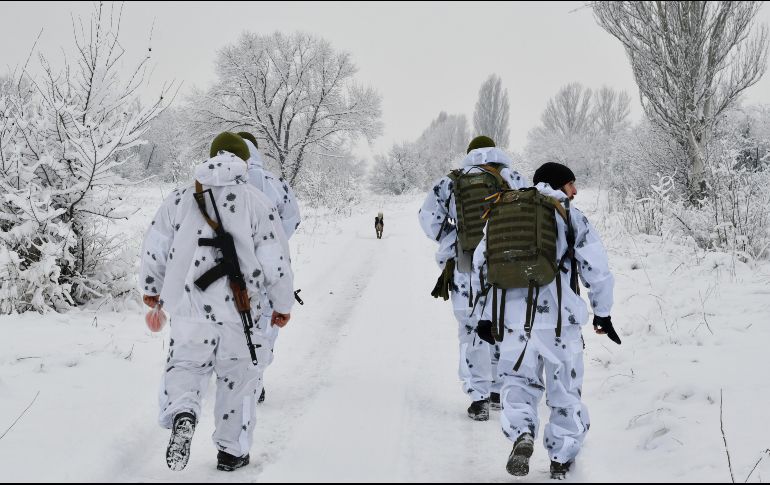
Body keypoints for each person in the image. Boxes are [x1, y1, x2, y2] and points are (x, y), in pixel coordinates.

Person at [139, 132, 295, 472]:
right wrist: (283, 306)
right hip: (240, 312)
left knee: (185, 366)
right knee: (237, 379)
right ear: (243, 162)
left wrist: (152, 287)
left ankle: (183, 411)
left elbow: (156, 244)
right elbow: (276, 262)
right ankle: (231, 450)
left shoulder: (180, 198)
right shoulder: (256, 201)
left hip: (189, 307)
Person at [472, 161, 619, 479]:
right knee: (564, 389)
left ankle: (522, 433)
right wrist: (603, 313)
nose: (575, 190)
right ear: (558, 185)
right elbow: (597, 268)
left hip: (512, 322)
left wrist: (485, 316)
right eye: (571, 184)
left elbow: (482, 266)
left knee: (516, 382)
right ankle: (562, 457)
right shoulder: (568, 213)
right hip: (558, 321)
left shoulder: (503, 211)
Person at [418, 135, 528, 421]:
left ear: (469, 154)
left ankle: (478, 397)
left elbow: (428, 217)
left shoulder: (451, 181)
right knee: (501, 323)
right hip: (506, 262)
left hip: (465, 262)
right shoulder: (511, 176)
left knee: (470, 328)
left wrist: (450, 238)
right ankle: (498, 390)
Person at [237, 131, 301, 404]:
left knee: (230, 322)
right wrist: (273, 243)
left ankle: (234, 377)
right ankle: (255, 380)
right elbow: (293, 218)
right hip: (266, 270)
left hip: (225, 271)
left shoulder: (215, 182)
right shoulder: (274, 184)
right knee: (263, 324)